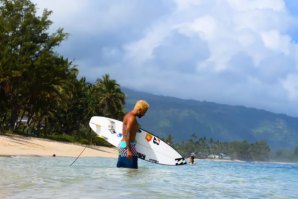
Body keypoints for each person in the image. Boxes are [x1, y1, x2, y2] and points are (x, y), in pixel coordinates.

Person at [117, 100, 150, 169]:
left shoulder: (128, 115)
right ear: (140, 110)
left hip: (124, 144)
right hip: (127, 146)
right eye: (144, 112)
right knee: (132, 170)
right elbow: (127, 133)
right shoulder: (131, 118)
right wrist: (129, 150)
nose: (144, 115)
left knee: (126, 170)